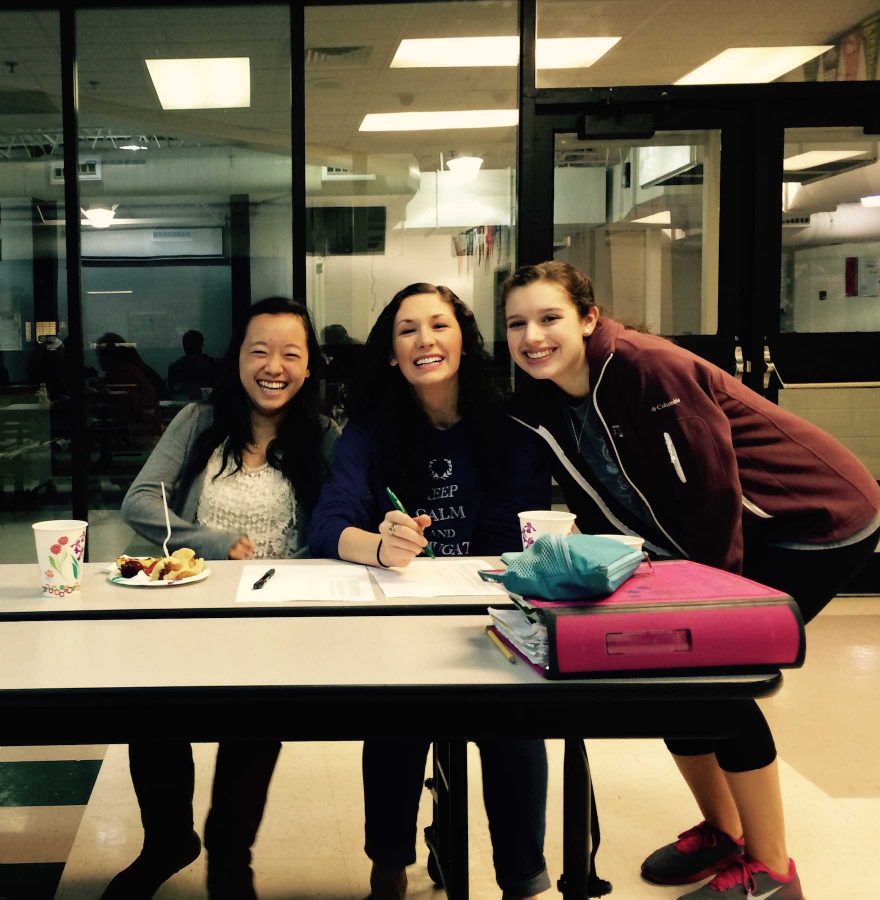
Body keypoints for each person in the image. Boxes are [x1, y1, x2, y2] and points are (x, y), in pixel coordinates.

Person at [502, 260, 880, 900]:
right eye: (517, 323)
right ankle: (723, 831)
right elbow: (605, 504)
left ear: (589, 319)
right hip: (723, 537)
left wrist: (711, 612)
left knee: (716, 684)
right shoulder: (547, 403)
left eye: (549, 318)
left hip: (814, 519)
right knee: (671, 679)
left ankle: (772, 871)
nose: (533, 336)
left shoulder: (648, 370)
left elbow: (713, 495)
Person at [309, 283, 553, 900]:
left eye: (439, 326)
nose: (425, 341)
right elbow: (328, 526)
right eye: (408, 330)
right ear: (392, 353)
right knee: (394, 715)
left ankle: (524, 879)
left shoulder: (511, 428)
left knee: (514, 721)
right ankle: (388, 867)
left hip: (490, 613)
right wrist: (381, 545)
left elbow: (515, 536)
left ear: (464, 341)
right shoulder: (370, 431)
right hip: (401, 613)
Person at [103, 297, 339, 900]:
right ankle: (167, 842)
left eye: (291, 353)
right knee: (150, 713)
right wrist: (207, 540)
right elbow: (138, 501)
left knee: (254, 723)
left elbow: (343, 521)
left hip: (279, 618)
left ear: (309, 366)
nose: (274, 366)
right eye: (259, 350)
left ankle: (230, 854)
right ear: (238, 358)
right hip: (190, 604)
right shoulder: (198, 421)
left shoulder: (325, 437)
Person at [168, 329, 217, 399]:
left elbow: (174, 391)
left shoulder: (175, 367)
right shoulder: (210, 365)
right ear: (200, 346)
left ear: (184, 346)